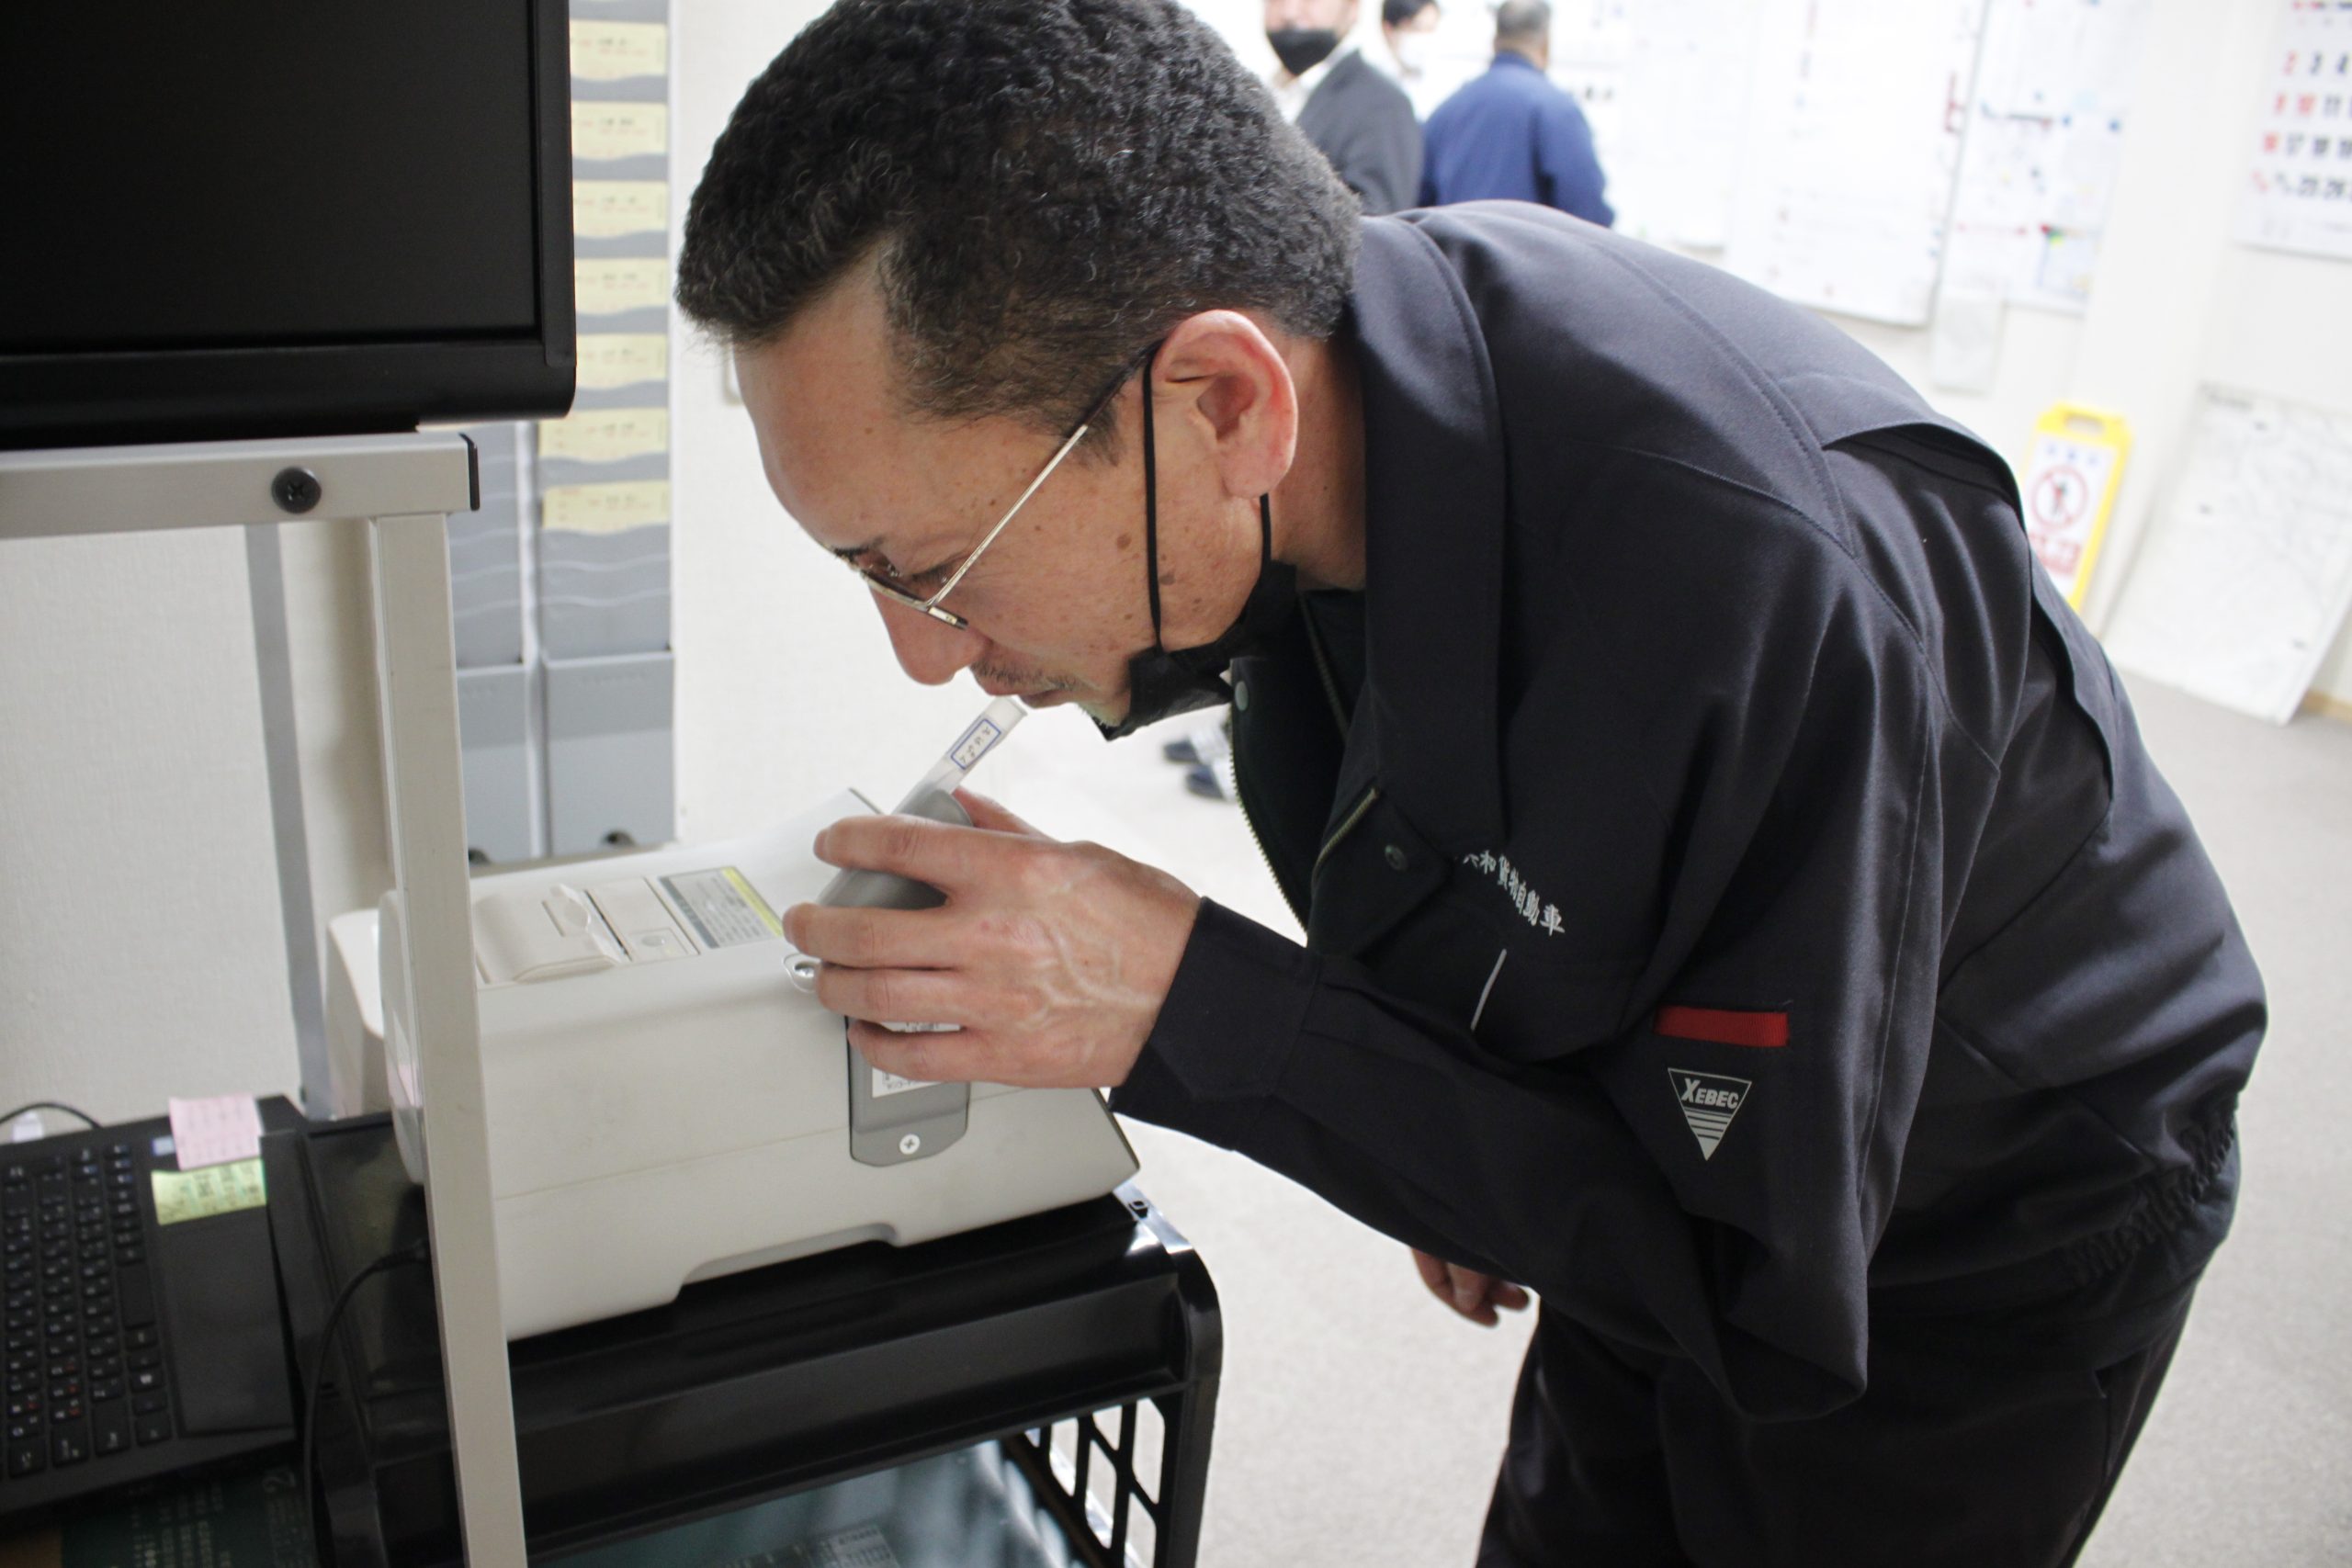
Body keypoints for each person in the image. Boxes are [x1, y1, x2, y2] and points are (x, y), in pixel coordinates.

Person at [675, 3, 2265, 1562]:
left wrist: (1191, 1002)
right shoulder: (1312, 414)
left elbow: (1758, 1286)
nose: (923, 656)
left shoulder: (1755, 578)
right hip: (1657, 1077)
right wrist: (1443, 1110)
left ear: (1224, 402)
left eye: (936, 569)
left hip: (1989, 1177)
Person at [1419, 0, 1612, 225]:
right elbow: (1587, 210)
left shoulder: (1447, 110)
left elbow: (1420, 203)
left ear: (1495, 41)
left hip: (1454, 257)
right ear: (1545, 43)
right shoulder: (1556, 109)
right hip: (1528, 258)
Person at [1263, 0, 1421, 216]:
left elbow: (1377, 223)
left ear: (1352, 8)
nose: (1290, 12)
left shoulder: (1381, 105)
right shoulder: (1265, 94)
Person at [1377, 0, 1447, 120]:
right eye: (1416, 28)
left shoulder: (1442, 87)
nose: (1424, 39)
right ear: (1388, 29)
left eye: (1431, 29)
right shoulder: (1370, 85)